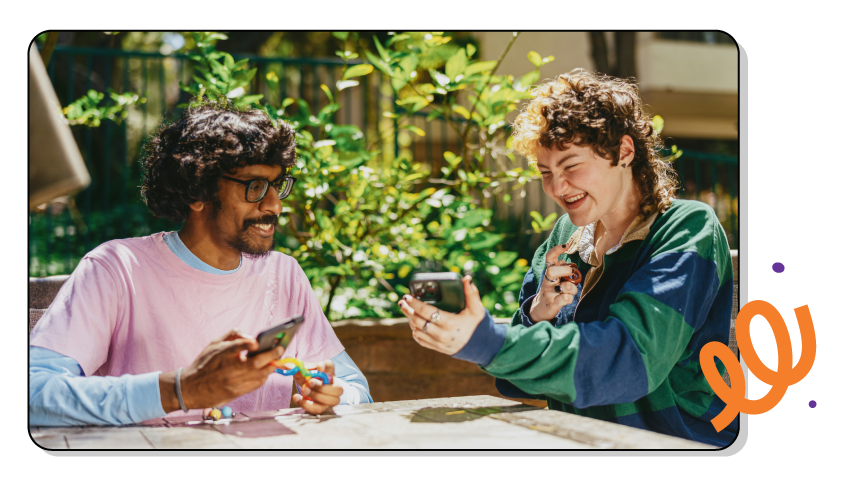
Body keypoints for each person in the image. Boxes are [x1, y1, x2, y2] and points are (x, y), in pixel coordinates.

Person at [398, 69, 735, 447]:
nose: (557, 187)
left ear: (624, 152)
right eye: (545, 172)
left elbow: (628, 362)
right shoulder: (566, 237)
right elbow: (516, 381)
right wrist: (538, 311)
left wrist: (487, 341)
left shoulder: (687, 227)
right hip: (581, 438)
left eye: (571, 166)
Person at [30, 100, 372, 426]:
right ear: (197, 192)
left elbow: (357, 390)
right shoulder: (117, 269)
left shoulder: (283, 274)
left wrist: (331, 396)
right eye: (254, 186)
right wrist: (180, 389)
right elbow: (36, 395)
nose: (274, 206)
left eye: (276, 185)